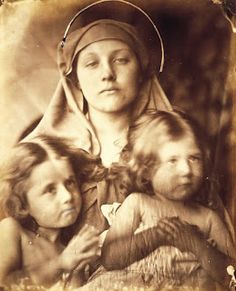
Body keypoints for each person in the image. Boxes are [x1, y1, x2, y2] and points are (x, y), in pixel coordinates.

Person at [22, 0, 234, 284]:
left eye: (122, 59)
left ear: (142, 70)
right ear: (75, 81)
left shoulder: (178, 145)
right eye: (92, 63)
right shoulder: (46, 157)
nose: (107, 74)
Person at [82, 110, 236, 290]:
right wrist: (153, 237)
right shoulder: (138, 204)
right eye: (172, 160)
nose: (186, 170)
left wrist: (197, 245)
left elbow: (232, 277)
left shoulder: (208, 218)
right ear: (146, 169)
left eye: (194, 158)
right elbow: (109, 259)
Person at [0, 137, 100, 289]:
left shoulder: (70, 247)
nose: (67, 196)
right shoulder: (13, 230)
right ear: (22, 204)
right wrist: (61, 263)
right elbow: (4, 284)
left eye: (70, 182)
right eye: (50, 190)